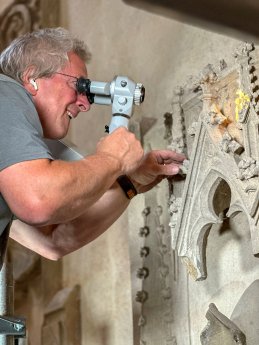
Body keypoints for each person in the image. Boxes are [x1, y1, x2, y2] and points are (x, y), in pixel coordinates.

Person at [0, 27, 185, 261]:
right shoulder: (4, 94)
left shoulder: (17, 156)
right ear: (32, 78)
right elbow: (39, 200)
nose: (85, 105)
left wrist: (131, 182)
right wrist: (112, 159)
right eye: (79, 86)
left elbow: (52, 241)